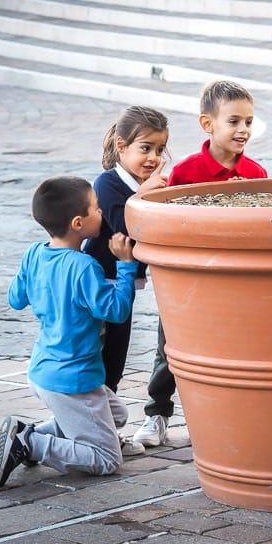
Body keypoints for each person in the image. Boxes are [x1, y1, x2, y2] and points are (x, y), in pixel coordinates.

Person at [133, 80, 268, 447]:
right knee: (170, 346)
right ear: (208, 125)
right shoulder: (185, 173)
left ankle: (230, 417)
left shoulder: (256, 175)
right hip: (188, 281)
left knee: (236, 350)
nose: (243, 130)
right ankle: (157, 413)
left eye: (249, 122)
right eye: (234, 121)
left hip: (235, 281)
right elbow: (169, 222)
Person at [0, 176, 143, 489]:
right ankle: (30, 444)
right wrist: (126, 265)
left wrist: (31, 274)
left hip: (43, 370)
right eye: (97, 209)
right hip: (73, 378)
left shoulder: (34, 254)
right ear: (78, 223)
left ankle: (27, 431)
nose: (102, 213)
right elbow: (115, 311)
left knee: (117, 415)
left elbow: (16, 299)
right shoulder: (84, 266)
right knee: (106, 459)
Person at [83, 106, 169, 394]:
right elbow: (124, 224)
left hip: (126, 277)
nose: (153, 158)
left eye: (159, 149)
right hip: (100, 278)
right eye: (145, 148)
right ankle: (90, 411)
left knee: (119, 348)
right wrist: (147, 193)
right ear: (122, 146)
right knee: (99, 347)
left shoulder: (148, 184)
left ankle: (108, 410)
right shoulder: (108, 181)